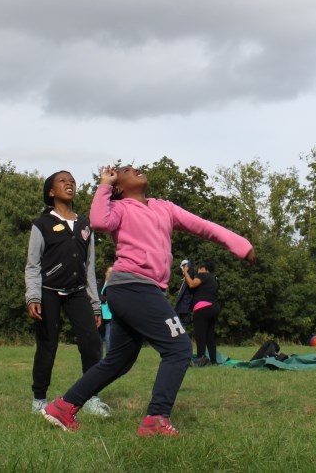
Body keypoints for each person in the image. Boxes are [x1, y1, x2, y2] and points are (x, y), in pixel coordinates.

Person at [41, 165, 254, 437]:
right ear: (119, 187)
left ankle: (63, 407)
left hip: (140, 290)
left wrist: (240, 245)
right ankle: (156, 419)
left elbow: (204, 227)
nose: (136, 169)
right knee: (178, 348)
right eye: (127, 169)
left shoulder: (164, 207)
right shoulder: (119, 208)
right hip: (132, 286)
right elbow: (99, 222)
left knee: (118, 360)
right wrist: (104, 185)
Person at [25, 171, 110, 418]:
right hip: (48, 292)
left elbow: (89, 267)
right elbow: (33, 265)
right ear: (51, 192)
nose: (69, 183)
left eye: (72, 180)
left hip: (77, 292)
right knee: (47, 345)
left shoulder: (85, 225)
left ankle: (91, 398)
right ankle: (39, 400)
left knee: (92, 343)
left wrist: (95, 304)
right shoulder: (42, 224)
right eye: (62, 181)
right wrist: (33, 297)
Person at [182, 260, 221, 365]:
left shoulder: (203, 275)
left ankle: (200, 360)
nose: (198, 271)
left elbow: (192, 284)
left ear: (204, 269)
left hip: (202, 308)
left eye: (199, 269)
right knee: (210, 336)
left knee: (200, 336)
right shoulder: (213, 279)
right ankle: (214, 361)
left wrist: (185, 272)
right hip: (214, 307)